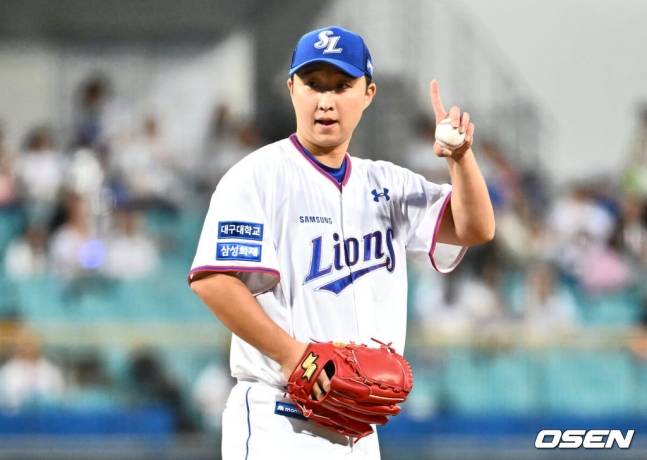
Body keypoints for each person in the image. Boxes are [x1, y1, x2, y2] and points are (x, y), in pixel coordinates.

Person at [189, 26, 494, 459]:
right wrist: (292, 355)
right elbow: (214, 280)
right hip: (281, 418)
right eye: (313, 84)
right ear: (292, 89)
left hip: (359, 429)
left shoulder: (388, 184)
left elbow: (475, 228)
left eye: (341, 86)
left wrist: (462, 159)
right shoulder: (257, 176)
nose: (325, 100)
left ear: (368, 94)